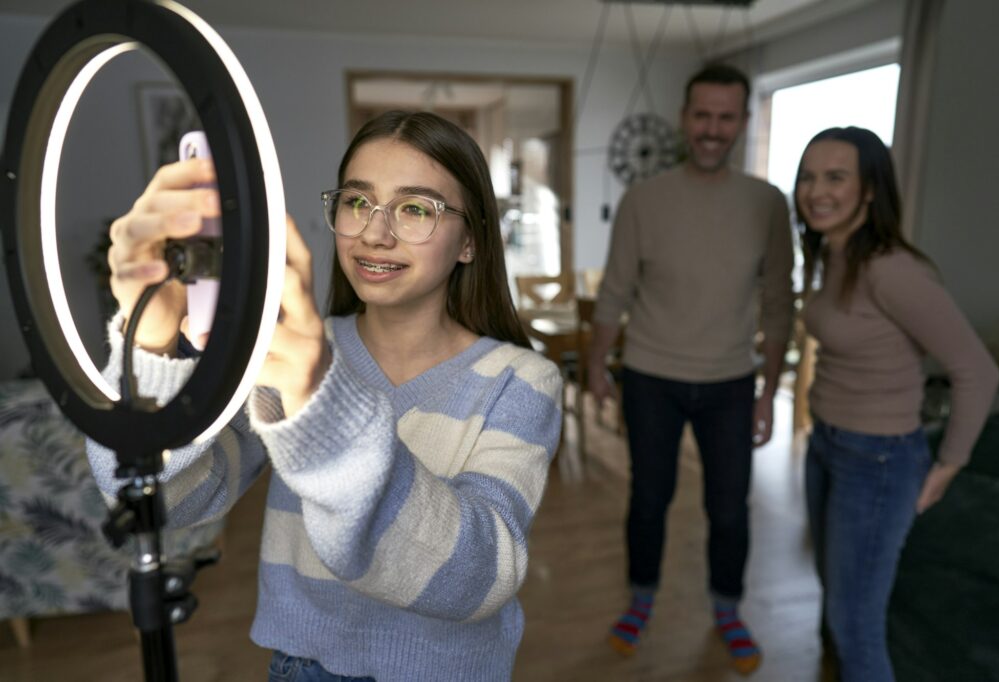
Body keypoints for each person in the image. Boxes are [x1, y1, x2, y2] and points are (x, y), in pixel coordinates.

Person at [87, 110, 563, 681]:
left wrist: (326, 413)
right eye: (358, 202)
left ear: (469, 242)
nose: (374, 233)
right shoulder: (292, 356)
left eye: (416, 209)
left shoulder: (523, 381)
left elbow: (482, 576)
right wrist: (153, 347)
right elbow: (170, 500)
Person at [590, 63, 794, 674]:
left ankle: (727, 608)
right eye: (702, 115)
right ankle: (642, 598)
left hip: (732, 382)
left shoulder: (767, 203)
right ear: (684, 118)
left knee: (730, 506)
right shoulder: (643, 200)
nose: (712, 128)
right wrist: (598, 365)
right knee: (649, 497)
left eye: (725, 117)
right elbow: (614, 293)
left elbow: (779, 304)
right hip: (651, 376)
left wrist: (769, 392)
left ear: (742, 122)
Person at [794, 126, 999, 682]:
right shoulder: (834, 253)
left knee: (855, 621)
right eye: (808, 176)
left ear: (869, 190)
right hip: (828, 444)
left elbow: (977, 369)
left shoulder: (892, 270)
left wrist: (950, 464)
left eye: (836, 177)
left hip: (878, 460)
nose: (816, 190)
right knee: (837, 597)